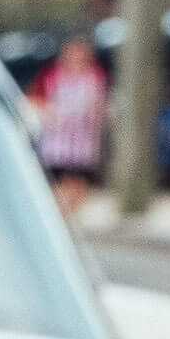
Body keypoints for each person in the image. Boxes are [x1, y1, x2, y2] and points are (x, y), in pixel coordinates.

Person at [31, 35, 108, 216]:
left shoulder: (95, 77)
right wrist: (52, 113)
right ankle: (58, 219)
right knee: (56, 187)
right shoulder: (50, 75)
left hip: (82, 145)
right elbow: (36, 101)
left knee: (77, 185)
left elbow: (101, 108)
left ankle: (68, 220)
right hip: (56, 145)